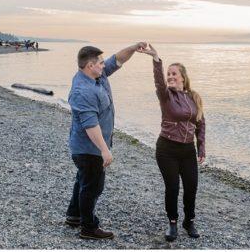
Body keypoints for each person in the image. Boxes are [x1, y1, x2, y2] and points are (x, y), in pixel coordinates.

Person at [64, 42, 146, 240]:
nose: (104, 65)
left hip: (88, 147)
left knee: (83, 180)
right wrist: (104, 150)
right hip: (88, 148)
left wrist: (134, 48)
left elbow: (117, 59)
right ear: (90, 65)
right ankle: (88, 228)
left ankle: (74, 215)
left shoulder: (96, 75)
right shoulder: (83, 91)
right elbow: (90, 125)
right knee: (93, 186)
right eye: (100, 62)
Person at [139, 44, 206, 241]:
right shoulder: (166, 96)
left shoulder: (194, 97)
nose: (170, 77)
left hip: (187, 150)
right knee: (173, 187)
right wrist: (156, 58)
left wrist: (201, 146)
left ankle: (189, 221)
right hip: (167, 149)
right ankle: (173, 223)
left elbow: (201, 123)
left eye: (174, 73)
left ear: (183, 77)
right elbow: (159, 82)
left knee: (191, 186)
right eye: (168, 73)